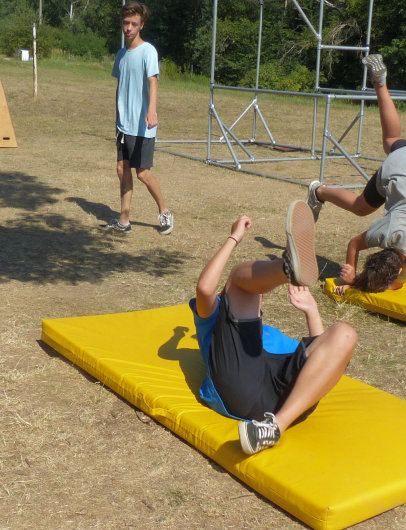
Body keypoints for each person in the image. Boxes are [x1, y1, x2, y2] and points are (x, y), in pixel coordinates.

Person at [190, 200, 358, 455]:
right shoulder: (215, 321)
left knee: (345, 334)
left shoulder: (273, 337)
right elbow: (204, 289)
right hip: (239, 388)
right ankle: (286, 267)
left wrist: (312, 311)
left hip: (288, 402)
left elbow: (322, 359)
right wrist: (234, 238)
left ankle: (274, 428)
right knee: (238, 275)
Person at [307, 54, 406, 295]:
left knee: (391, 140)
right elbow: (355, 245)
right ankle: (318, 192)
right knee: (360, 207)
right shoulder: (387, 234)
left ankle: (380, 83)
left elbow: (378, 267)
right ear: (399, 270)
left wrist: (351, 278)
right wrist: (351, 276)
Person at [101, 2, 173, 235]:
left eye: (134, 23)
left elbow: (154, 82)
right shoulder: (121, 54)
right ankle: (124, 220)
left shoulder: (148, 51)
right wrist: (117, 119)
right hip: (124, 126)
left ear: (141, 25)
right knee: (122, 170)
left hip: (142, 126)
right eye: (126, 23)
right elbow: (120, 87)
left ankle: (164, 212)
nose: (129, 28)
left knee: (142, 173)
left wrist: (151, 111)